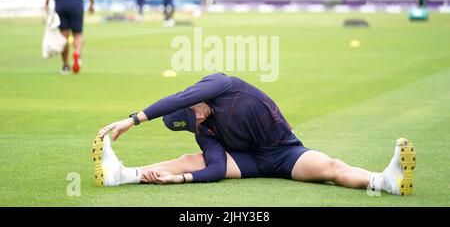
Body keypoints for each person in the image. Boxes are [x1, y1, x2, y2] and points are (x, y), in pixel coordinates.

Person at [94, 73, 416, 196]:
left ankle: (384, 181)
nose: (199, 117)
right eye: (191, 122)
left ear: (193, 99)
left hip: (283, 153)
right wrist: (180, 180)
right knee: (190, 160)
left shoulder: (220, 84)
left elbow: (177, 100)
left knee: (330, 167)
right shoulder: (204, 130)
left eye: (194, 111)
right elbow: (217, 168)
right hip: (250, 162)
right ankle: (122, 175)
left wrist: (133, 120)